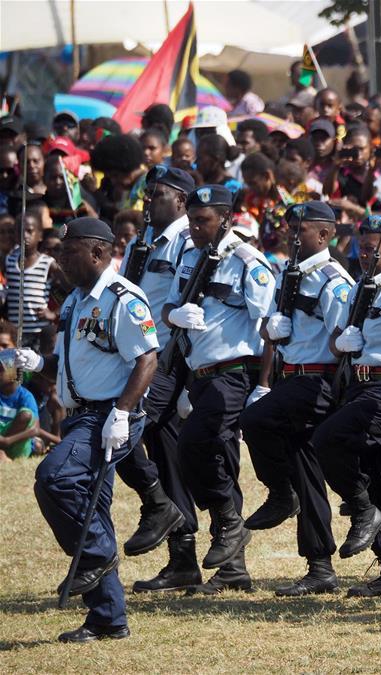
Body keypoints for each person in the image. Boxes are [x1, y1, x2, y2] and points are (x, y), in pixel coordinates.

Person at [20, 216, 158, 642]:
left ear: (98, 252)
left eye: (68, 251)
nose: (60, 260)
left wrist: (122, 413)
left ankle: (94, 556)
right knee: (91, 507)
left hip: (110, 416)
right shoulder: (78, 300)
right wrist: (41, 364)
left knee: (54, 478)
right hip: (83, 414)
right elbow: (82, 363)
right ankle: (108, 618)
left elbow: (147, 357)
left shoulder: (123, 298)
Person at [162, 184, 275, 594]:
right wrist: (175, 314)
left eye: (203, 220)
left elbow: (269, 329)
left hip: (234, 372)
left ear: (226, 219)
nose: (194, 227)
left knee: (194, 445)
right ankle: (233, 568)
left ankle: (229, 524)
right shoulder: (189, 257)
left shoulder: (248, 261)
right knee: (217, 459)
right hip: (200, 373)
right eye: (191, 219)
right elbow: (166, 307)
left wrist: (263, 385)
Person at [239, 201, 353, 597]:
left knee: (253, 421)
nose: (293, 235)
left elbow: (345, 343)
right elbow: (276, 331)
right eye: (290, 229)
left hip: (318, 381)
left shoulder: (333, 280)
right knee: (307, 473)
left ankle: (278, 492)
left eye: (301, 230)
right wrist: (271, 334)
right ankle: (319, 566)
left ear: (324, 235)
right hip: (292, 379)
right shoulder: (290, 274)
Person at [313, 214, 381, 596]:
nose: (363, 254)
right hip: (357, 386)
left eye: (372, 248)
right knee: (376, 473)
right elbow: (336, 338)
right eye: (360, 248)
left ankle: (362, 510)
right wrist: (341, 342)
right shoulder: (363, 286)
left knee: (326, 439)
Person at [116, 165, 202, 594]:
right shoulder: (142, 242)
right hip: (135, 357)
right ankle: (183, 560)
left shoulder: (190, 241)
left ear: (182, 201)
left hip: (168, 361)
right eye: (147, 193)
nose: (148, 200)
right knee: (167, 455)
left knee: (122, 427)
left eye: (158, 194)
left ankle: (156, 504)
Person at [5, 209, 68, 349]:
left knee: (38, 369)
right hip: (15, 333)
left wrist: (54, 313)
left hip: (39, 333)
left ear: (40, 236)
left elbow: (71, 291)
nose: (25, 236)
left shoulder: (47, 263)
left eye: (30, 231)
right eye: (20, 231)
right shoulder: (9, 260)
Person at [0, 347, 39, 461]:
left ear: (12, 372)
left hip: (14, 444)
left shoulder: (25, 396)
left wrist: (7, 441)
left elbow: (35, 430)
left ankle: (5, 453)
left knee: (26, 415)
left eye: (0, 369)